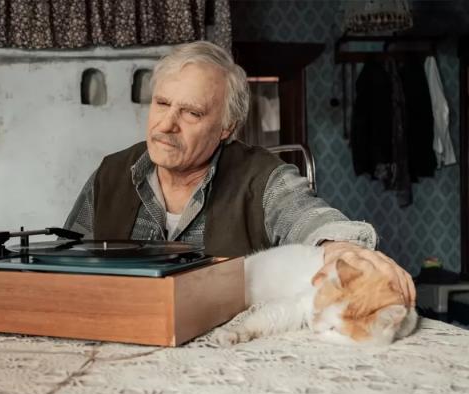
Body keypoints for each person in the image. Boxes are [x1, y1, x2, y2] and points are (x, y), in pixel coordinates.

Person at [64, 40, 414, 305]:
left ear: (226, 128)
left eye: (191, 113)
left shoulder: (263, 177)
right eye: (162, 103)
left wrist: (340, 248)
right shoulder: (110, 174)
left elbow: (307, 216)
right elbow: (65, 259)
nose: (166, 124)